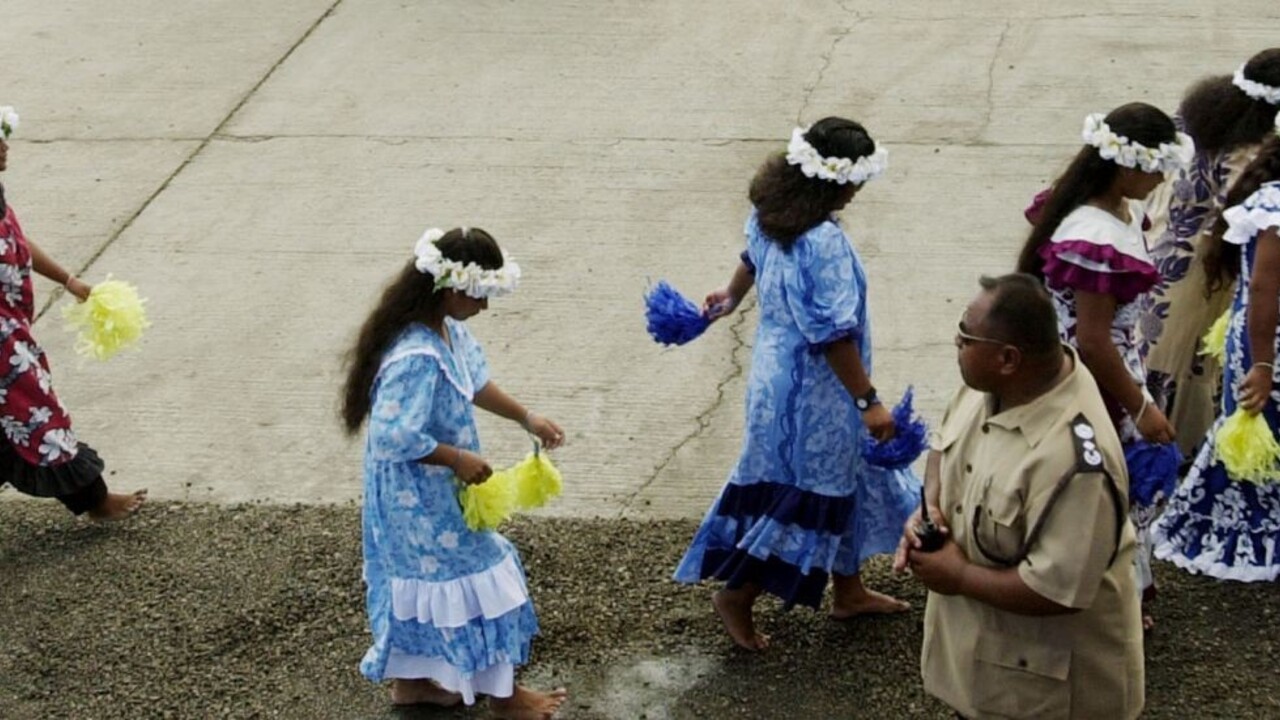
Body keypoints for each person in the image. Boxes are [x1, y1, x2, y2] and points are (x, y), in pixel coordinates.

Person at [673, 117, 919, 651]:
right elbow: (834, 335)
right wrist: (869, 402)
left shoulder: (771, 215)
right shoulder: (822, 241)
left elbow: (748, 259)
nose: (858, 193)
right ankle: (737, 593)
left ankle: (848, 590)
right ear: (837, 181)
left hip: (773, 378)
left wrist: (731, 295)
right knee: (810, 493)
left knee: (840, 480)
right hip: (819, 392)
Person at [340, 226, 567, 718]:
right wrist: (458, 459)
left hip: (425, 493)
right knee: (483, 572)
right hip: (416, 499)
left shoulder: (445, 330)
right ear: (448, 287)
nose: (484, 307)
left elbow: (474, 381)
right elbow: (393, 436)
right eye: (478, 295)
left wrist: (526, 416)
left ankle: (416, 686)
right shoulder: (415, 356)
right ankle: (506, 700)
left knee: (421, 581)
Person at [895, 274, 1144, 720]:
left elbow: (1057, 591)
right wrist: (929, 507)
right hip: (988, 671)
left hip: (1045, 693)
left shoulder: (1076, 461)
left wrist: (958, 577)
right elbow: (943, 445)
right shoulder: (991, 385)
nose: (956, 341)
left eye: (964, 336)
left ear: (1008, 358)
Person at [1016, 103, 1194, 626]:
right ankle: (1103, 598)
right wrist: (1140, 408)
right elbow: (1094, 340)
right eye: (1156, 167)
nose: (1162, 178)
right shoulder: (1095, 237)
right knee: (1106, 488)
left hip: (1095, 370)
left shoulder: (1095, 207)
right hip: (1098, 383)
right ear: (1125, 166)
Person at [0, 107, 146, 520]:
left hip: (11, 327)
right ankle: (93, 500)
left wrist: (69, 280)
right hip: (3, 342)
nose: (6, 149)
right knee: (36, 408)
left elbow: (14, 236)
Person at [1152, 123, 1280, 582]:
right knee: (1260, 432)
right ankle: (1247, 533)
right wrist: (1263, 365)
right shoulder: (1275, 207)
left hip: (1261, 339)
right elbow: (1266, 291)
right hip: (1268, 345)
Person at [1141, 48, 1280, 456]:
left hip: (1162, 254)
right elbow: (1253, 219)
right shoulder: (1247, 153)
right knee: (1188, 374)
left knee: (1157, 363)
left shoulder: (1204, 114)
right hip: (1201, 281)